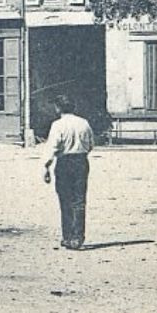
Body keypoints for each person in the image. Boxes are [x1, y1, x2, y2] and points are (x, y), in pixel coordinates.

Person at [43, 96, 95, 250]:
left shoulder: (58, 125)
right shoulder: (83, 123)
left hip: (64, 163)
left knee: (65, 201)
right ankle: (78, 237)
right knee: (79, 200)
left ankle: (68, 237)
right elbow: (91, 144)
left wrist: (46, 166)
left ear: (58, 108)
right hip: (81, 161)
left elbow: (52, 147)